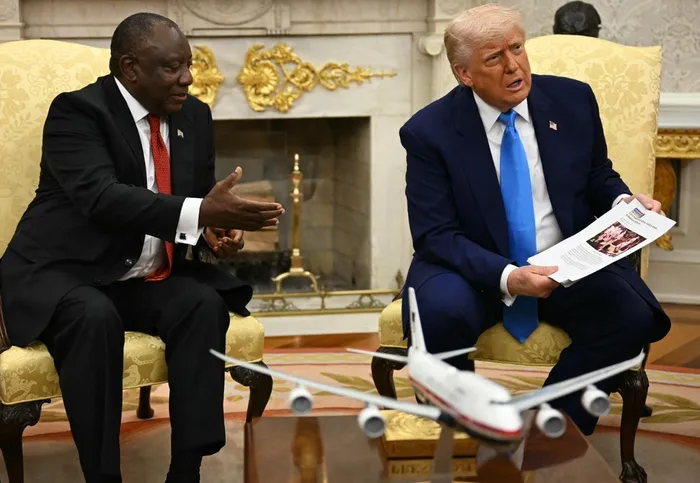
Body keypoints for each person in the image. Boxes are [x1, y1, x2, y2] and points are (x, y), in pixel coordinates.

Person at [0, 12, 284, 483]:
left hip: (139, 276)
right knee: (94, 317)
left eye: (189, 65)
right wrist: (200, 213)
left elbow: (190, 200)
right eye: (172, 67)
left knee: (201, 303)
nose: (188, 78)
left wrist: (213, 231)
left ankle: (186, 470)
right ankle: (103, 475)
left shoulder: (194, 116)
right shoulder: (78, 112)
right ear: (130, 68)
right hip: (64, 272)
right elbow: (102, 197)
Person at [399, 4, 670, 436]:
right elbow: (436, 234)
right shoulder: (428, 132)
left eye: (517, 48)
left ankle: (550, 432)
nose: (513, 66)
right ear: (464, 74)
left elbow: (597, 175)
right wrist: (510, 276)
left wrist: (624, 204)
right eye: (494, 58)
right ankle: (464, 434)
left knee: (632, 316)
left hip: (564, 259)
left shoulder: (572, 100)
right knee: (439, 315)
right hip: (475, 265)